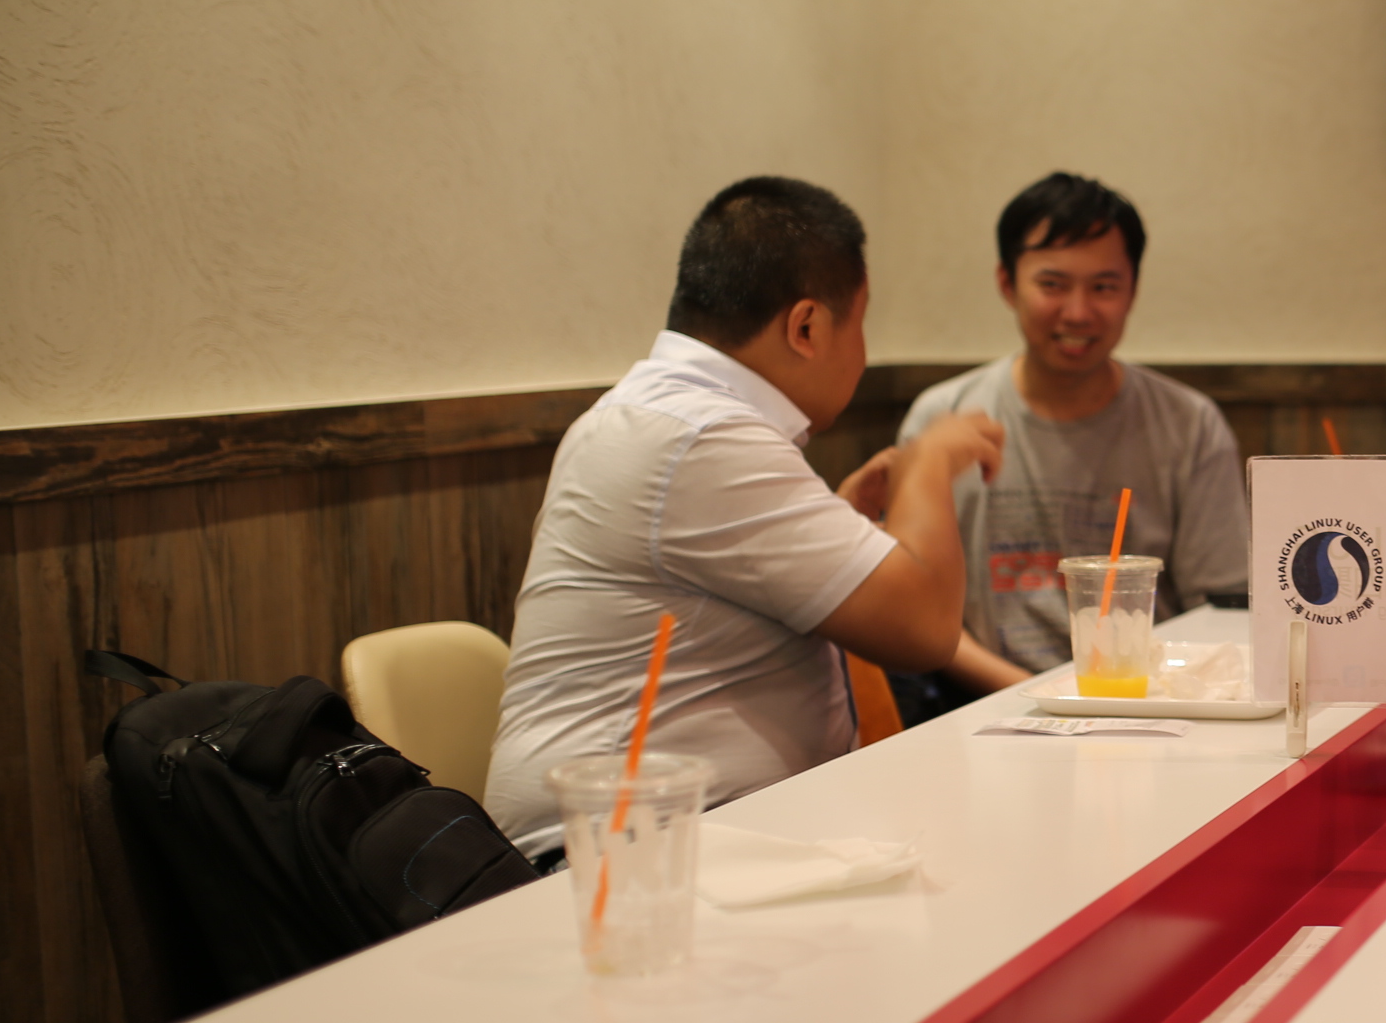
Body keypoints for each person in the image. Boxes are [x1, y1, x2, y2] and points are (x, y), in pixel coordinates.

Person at [485, 177, 1003, 860]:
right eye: (860, 323)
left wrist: (841, 523)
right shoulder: (700, 436)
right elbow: (926, 629)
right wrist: (930, 460)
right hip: (619, 862)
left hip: (682, 841)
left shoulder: (664, 415)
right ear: (807, 327)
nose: (863, 351)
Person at [893, 172, 1249, 705]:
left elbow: (1220, 610)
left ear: (1132, 290)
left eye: (1103, 287)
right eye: (1053, 285)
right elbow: (915, 610)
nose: (1078, 312)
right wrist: (1042, 696)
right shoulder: (942, 419)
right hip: (984, 710)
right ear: (1007, 284)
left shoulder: (1189, 425)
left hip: (1151, 708)